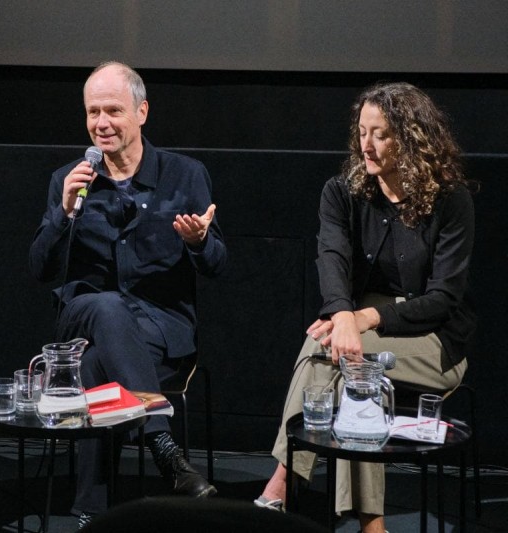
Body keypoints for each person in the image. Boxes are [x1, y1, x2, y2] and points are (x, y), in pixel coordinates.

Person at [255, 82, 476, 533]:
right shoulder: (343, 192)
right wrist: (342, 316)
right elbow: (331, 260)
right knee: (348, 365)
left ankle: (281, 484)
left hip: (434, 338)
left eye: (380, 134)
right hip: (356, 324)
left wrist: (364, 318)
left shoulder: (451, 200)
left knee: (337, 357)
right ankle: (371, 525)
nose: (366, 145)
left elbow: (443, 298)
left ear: (411, 139)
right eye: (361, 132)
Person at [29, 61, 228, 527]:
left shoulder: (184, 175)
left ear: (141, 112)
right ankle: (164, 447)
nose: (101, 123)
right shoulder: (69, 180)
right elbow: (39, 269)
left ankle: (88, 515)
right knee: (106, 305)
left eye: (113, 111)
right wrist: (63, 215)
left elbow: (218, 265)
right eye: (93, 112)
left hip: (160, 330)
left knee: (99, 366)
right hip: (81, 317)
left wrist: (199, 242)